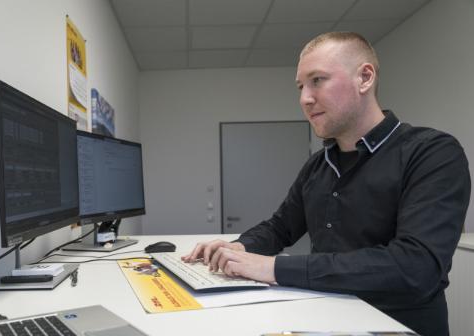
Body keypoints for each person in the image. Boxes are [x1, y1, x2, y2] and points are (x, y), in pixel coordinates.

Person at [182, 31, 471, 336]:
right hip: (324, 318)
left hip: (397, 327)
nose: (305, 98)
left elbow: (415, 266)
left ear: (365, 78)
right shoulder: (318, 165)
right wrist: (237, 247)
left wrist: (272, 268)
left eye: (317, 80)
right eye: (300, 86)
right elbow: (281, 227)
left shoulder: (432, 152)